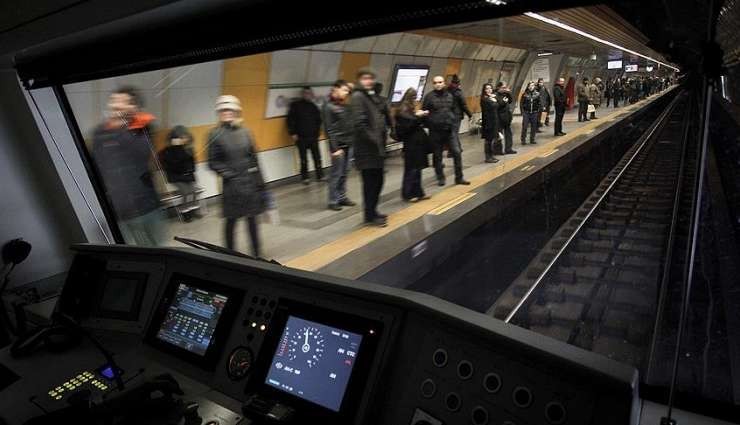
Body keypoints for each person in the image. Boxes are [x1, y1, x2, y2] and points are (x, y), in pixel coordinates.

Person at [92, 86, 164, 246]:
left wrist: (123, 125)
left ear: (134, 107)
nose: (116, 105)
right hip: (120, 209)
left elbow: (142, 153)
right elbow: (98, 165)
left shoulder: (143, 127)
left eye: (123, 102)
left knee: (157, 249)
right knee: (134, 252)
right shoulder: (100, 132)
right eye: (113, 101)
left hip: (147, 204)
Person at [208, 95, 265, 257]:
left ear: (236, 111)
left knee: (252, 220)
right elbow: (212, 162)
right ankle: (229, 255)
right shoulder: (214, 134)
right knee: (231, 221)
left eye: (230, 110)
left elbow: (254, 158)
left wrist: (261, 183)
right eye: (223, 110)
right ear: (219, 112)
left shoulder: (246, 132)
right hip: (232, 187)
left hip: (250, 184)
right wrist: (230, 175)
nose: (227, 113)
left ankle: (257, 254)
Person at [349, 68, 388, 227]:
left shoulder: (369, 96)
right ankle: (370, 215)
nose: (369, 81)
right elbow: (359, 123)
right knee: (371, 183)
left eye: (371, 78)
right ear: (359, 80)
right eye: (365, 78)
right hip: (366, 150)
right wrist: (374, 139)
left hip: (374, 149)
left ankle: (372, 211)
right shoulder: (358, 96)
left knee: (377, 181)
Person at [422, 75, 470, 186]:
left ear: (444, 83)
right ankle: (440, 177)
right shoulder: (429, 97)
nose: (438, 84)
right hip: (435, 131)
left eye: (440, 82)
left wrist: (452, 120)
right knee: (437, 155)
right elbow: (424, 113)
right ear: (433, 84)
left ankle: (459, 178)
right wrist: (431, 124)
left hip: (449, 130)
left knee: (457, 153)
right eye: (435, 82)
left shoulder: (450, 96)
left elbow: (453, 109)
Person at [323, 79, 356, 211]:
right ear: (335, 89)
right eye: (344, 90)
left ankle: (342, 197)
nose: (346, 93)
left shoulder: (345, 104)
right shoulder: (328, 107)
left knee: (345, 172)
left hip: (349, 143)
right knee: (336, 174)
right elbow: (328, 129)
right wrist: (334, 148)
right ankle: (333, 200)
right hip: (338, 146)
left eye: (347, 91)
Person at [395, 88, 431, 202]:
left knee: (417, 169)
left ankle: (418, 192)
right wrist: (419, 116)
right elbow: (409, 124)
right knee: (411, 169)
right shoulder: (403, 109)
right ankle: (408, 194)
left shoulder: (407, 108)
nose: (416, 100)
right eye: (415, 97)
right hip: (411, 143)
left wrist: (418, 115)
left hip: (416, 143)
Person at [159, 125, 201, 222]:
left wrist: (190, 170)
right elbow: (171, 166)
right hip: (175, 177)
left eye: (185, 137)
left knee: (194, 191)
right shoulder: (167, 151)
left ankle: (194, 210)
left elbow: (192, 164)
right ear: (175, 138)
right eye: (182, 137)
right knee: (185, 192)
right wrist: (177, 148)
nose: (184, 139)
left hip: (187, 176)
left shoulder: (189, 149)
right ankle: (185, 213)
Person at [287, 87, 323, 184]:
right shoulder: (295, 106)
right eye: (305, 93)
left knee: (317, 157)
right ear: (302, 94)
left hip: (313, 137)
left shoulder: (313, 106)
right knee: (303, 159)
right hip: (301, 137)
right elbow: (290, 120)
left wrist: (318, 132)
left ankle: (320, 176)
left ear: (311, 94)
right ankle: (305, 177)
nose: (307, 95)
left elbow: (319, 120)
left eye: (309, 93)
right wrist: (293, 133)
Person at [448, 74, 473, 153]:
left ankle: (456, 148)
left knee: (451, 133)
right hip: (456, 116)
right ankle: (454, 150)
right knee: (454, 133)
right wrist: (470, 115)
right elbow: (464, 105)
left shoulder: (446, 91)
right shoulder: (459, 93)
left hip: (448, 115)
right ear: (458, 84)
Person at [479, 83, 500, 163]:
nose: (489, 90)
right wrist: (493, 100)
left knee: (491, 140)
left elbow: (497, 105)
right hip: (488, 122)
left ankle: (491, 156)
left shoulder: (491, 98)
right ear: (484, 90)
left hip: (493, 121)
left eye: (490, 88)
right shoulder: (484, 99)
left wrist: (494, 99)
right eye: (487, 89)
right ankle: (488, 157)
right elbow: (493, 106)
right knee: (488, 140)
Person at [495, 81, 516, 155]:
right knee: (499, 135)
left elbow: (510, 101)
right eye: (503, 88)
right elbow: (497, 106)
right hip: (499, 118)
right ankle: (498, 150)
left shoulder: (505, 94)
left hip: (507, 117)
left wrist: (508, 93)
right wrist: (503, 102)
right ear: (498, 88)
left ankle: (508, 149)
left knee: (508, 134)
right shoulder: (495, 95)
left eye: (505, 87)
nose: (505, 89)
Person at [520, 81, 541, 145]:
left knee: (534, 127)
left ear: (534, 87)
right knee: (525, 126)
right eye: (530, 86)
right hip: (526, 113)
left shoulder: (537, 94)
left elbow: (539, 103)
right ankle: (523, 139)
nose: (531, 87)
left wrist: (538, 111)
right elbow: (521, 104)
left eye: (532, 85)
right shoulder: (524, 94)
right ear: (528, 87)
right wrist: (522, 112)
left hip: (534, 113)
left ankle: (532, 139)